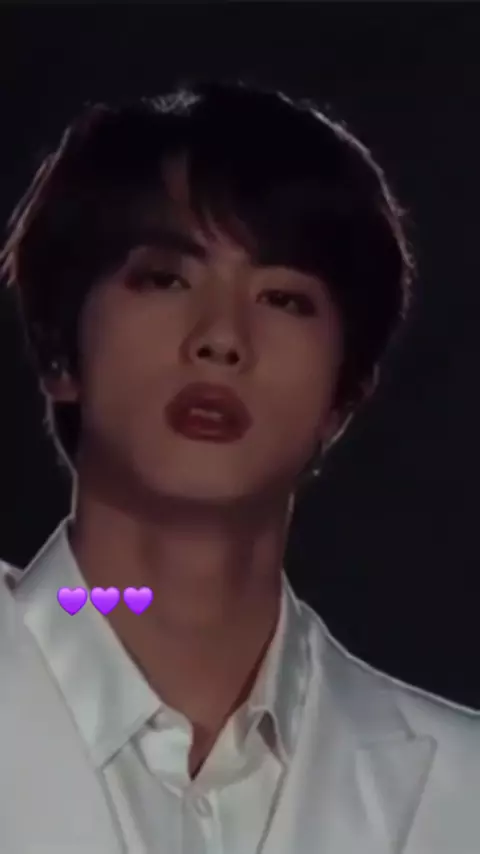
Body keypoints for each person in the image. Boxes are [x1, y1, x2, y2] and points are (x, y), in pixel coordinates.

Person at [0, 80, 478, 854]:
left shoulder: (463, 792)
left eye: (284, 299)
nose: (222, 338)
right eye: (166, 278)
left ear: (342, 397)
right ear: (60, 354)